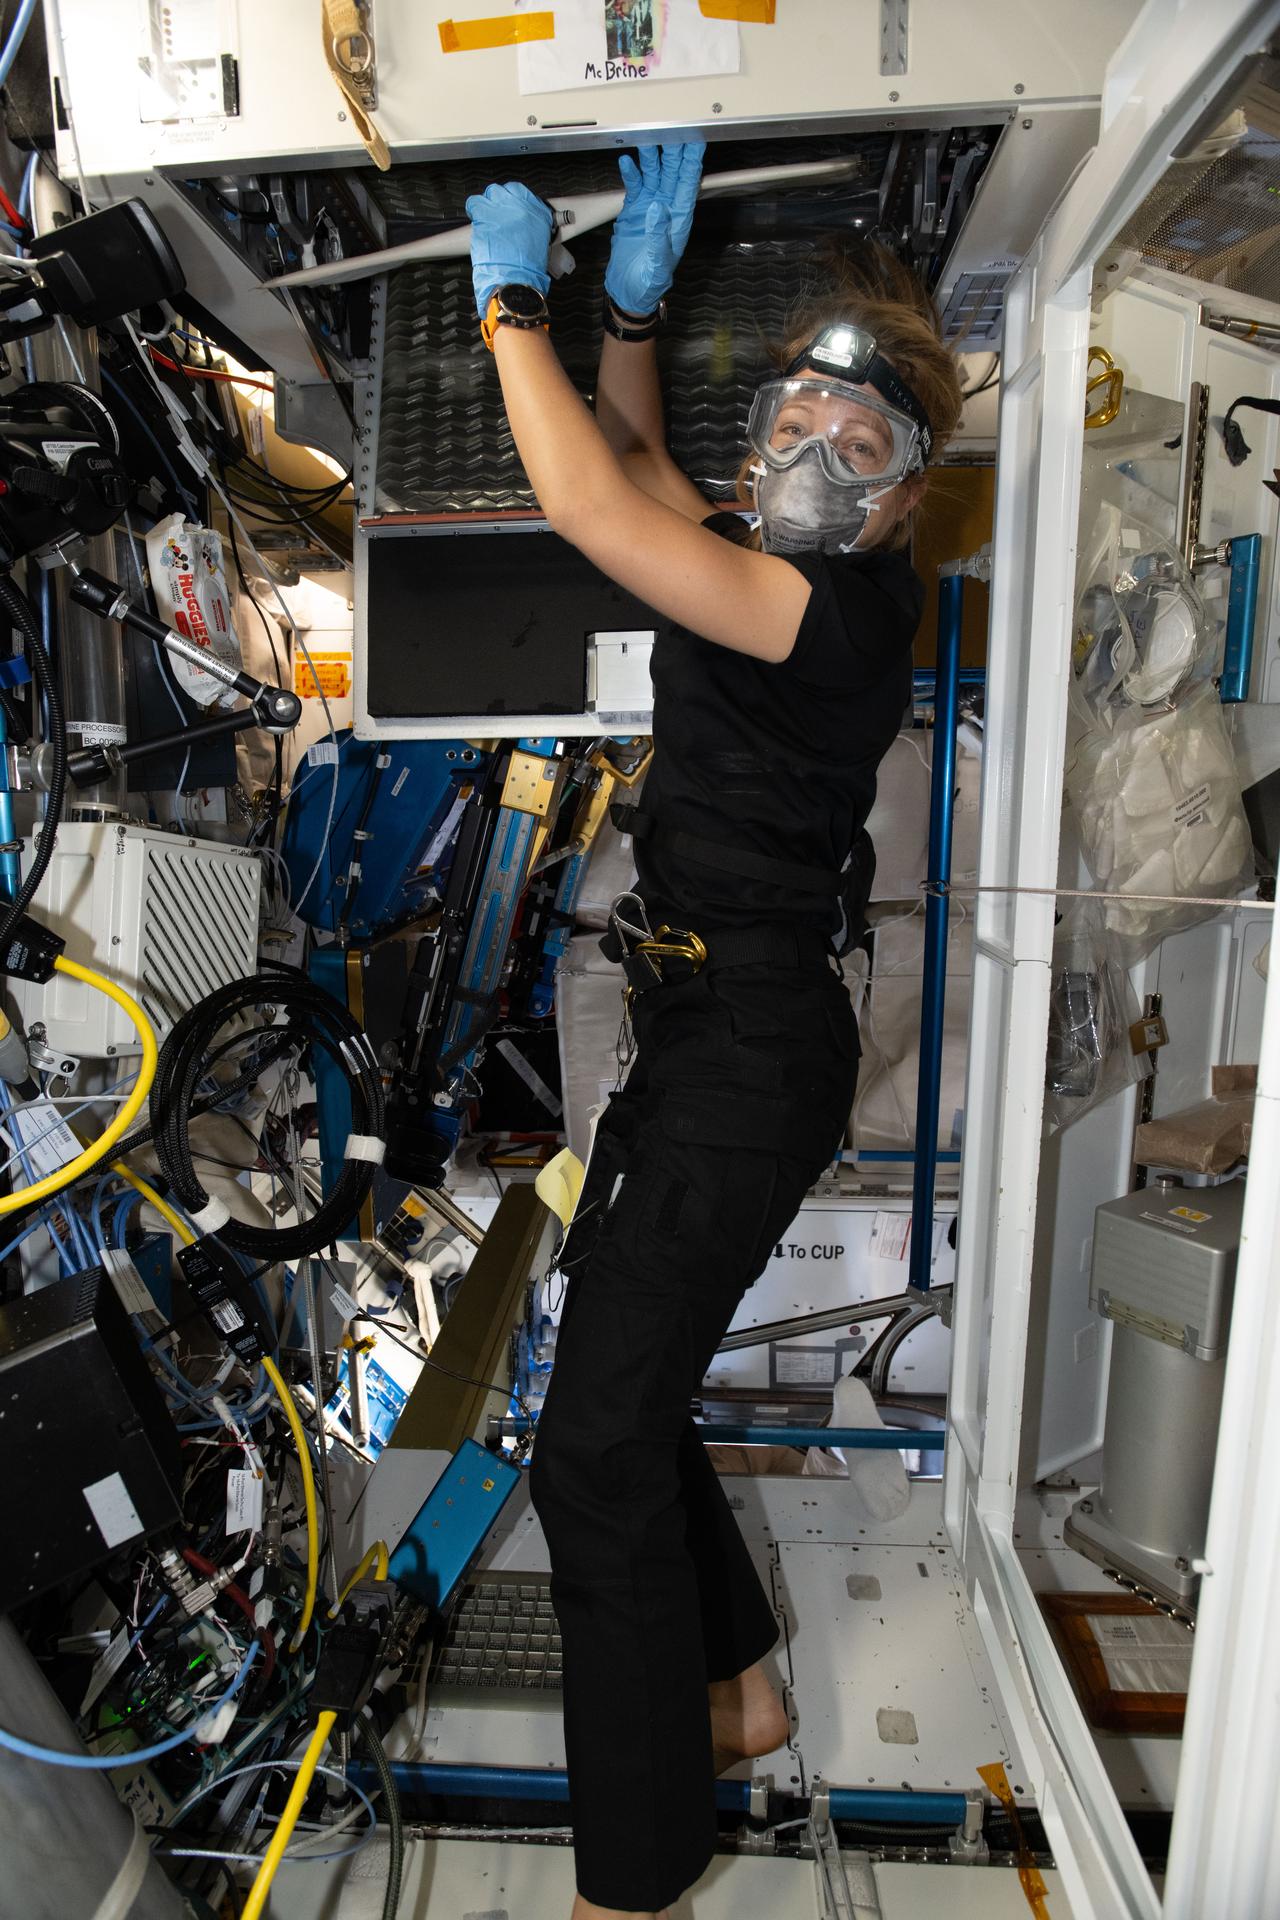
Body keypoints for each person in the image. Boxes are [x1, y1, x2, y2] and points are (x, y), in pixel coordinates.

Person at [466, 145, 963, 1920]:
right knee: (622, 1384)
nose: (824, 461)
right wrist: (628, 316)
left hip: (750, 1046)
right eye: (810, 418)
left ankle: (636, 1881)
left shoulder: (839, 615)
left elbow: (596, 519)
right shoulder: (758, 552)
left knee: (589, 1446)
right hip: (703, 1024)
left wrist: (509, 305)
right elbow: (642, 472)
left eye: (869, 448)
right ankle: (740, 1692)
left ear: (905, 500)